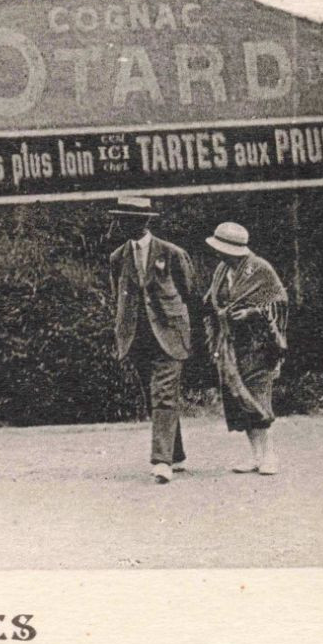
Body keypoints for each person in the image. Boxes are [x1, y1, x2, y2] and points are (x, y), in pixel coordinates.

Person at [106, 196, 196, 484]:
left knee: (164, 394)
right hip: (137, 338)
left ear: (143, 221)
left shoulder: (172, 253)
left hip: (169, 334)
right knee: (153, 397)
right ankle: (177, 453)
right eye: (119, 217)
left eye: (126, 218)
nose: (119, 223)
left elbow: (189, 294)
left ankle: (162, 461)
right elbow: (117, 296)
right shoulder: (118, 257)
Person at [202, 221, 289, 476]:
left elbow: (279, 302)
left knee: (258, 398)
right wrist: (219, 313)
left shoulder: (260, 268)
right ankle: (256, 456)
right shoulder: (222, 270)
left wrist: (252, 313)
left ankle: (269, 456)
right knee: (241, 399)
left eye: (222, 249)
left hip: (258, 346)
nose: (217, 253)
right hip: (231, 346)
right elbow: (213, 300)